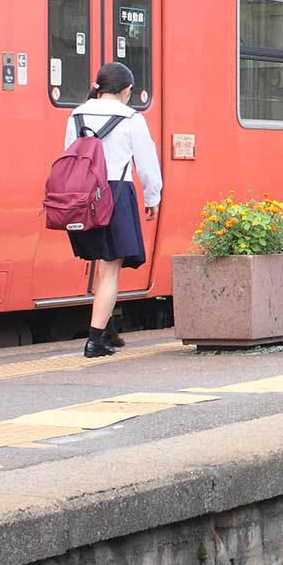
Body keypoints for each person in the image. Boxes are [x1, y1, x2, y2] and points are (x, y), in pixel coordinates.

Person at [64, 62, 162, 357]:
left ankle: (106, 330)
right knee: (110, 270)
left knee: (101, 265)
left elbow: (70, 156)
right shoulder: (132, 119)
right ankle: (95, 341)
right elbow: (146, 164)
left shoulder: (77, 114)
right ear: (124, 90)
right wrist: (152, 198)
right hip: (116, 195)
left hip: (83, 196)